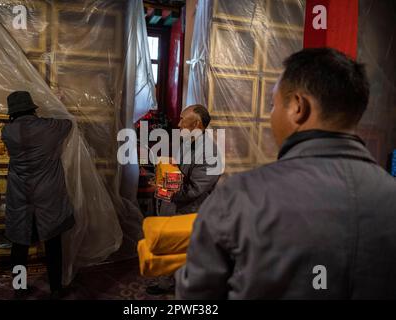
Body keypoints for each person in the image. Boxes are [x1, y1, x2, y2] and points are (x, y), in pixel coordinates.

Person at [175, 48, 396, 299]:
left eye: (273, 105)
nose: (271, 115)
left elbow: (197, 297)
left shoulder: (240, 197)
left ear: (298, 107)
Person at [1, 91, 74, 299]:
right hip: (48, 195)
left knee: (19, 245)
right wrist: (59, 103)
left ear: (12, 112)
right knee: (52, 244)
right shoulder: (50, 128)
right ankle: (56, 288)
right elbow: (68, 123)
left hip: (20, 196)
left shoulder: (6, 132)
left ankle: (20, 287)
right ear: (32, 108)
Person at [147, 105, 221, 295]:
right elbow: (179, 172)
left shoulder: (210, 153)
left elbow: (194, 190)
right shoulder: (188, 141)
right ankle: (167, 282)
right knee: (171, 248)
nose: (178, 124)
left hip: (188, 211)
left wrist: (164, 188)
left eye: (182, 119)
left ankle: (185, 288)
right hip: (174, 206)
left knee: (186, 252)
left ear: (196, 124)